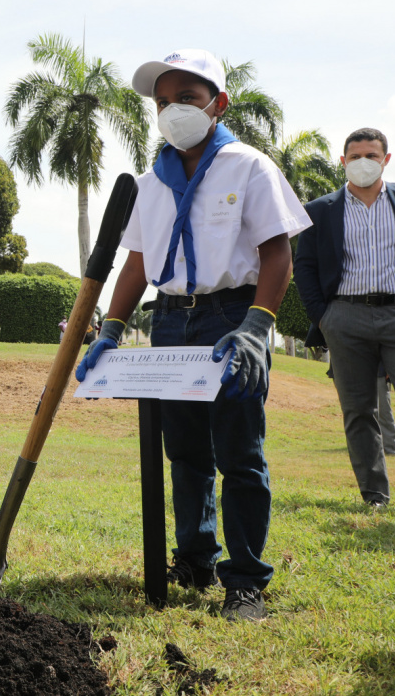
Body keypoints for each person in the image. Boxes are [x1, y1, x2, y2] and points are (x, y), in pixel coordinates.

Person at [77, 49, 311, 622]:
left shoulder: (248, 166)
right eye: (162, 102)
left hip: (229, 318)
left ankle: (246, 580)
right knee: (184, 450)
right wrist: (110, 327)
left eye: (186, 98)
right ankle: (195, 559)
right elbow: (137, 261)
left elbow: (276, 251)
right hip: (170, 320)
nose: (172, 110)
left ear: (218, 103)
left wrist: (258, 326)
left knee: (239, 450)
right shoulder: (151, 181)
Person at [294, 127, 395, 530]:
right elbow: (305, 265)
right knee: (358, 409)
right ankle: (375, 497)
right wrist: (323, 315)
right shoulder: (319, 209)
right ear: (342, 161)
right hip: (344, 318)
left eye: (371, 155)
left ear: (386, 159)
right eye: (355, 156)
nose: (362, 162)